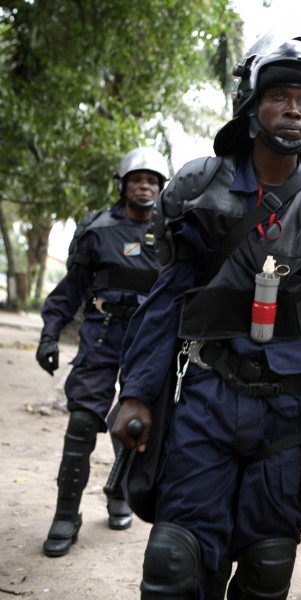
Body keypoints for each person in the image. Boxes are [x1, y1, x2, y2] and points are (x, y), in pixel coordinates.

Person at [111, 30, 301, 599]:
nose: (294, 109)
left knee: (268, 567)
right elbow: (169, 298)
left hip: (290, 411)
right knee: (175, 562)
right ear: (252, 103)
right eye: (281, 94)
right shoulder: (202, 189)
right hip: (207, 396)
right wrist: (136, 392)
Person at [36, 146, 168, 558]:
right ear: (123, 185)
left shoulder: (172, 233)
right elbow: (70, 289)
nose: (144, 186)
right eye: (137, 179)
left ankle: (119, 495)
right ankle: (65, 515)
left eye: (151, 180)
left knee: (132, 423)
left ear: (161, 189)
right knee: (81, 421)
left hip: (147, 339)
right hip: (100, 333)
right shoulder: (97, 229)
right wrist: (49, 333)